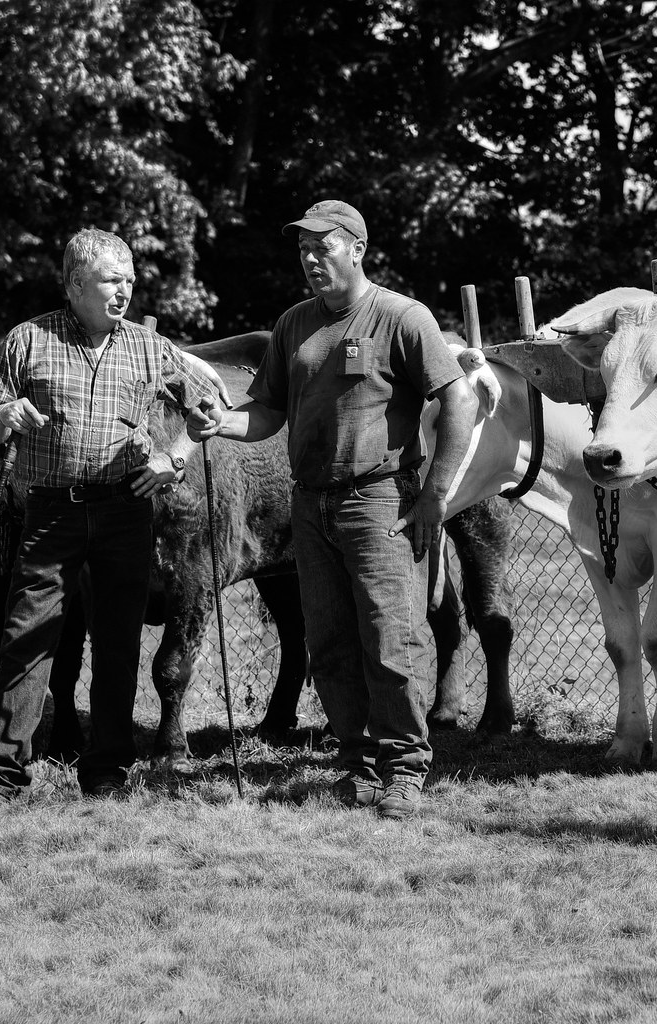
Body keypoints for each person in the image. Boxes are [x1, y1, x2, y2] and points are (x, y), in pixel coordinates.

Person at [189, 200, 478, 820]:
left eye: (322, 248)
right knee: (330, 641)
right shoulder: (294, 325)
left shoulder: (403, 317)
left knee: (391, 636)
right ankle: (354, 762)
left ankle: (403, 767)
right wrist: (220, 422)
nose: (311, 261)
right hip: (310, 503)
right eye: (303, 251)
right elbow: (267, 412)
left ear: (356, 249)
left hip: (382, 501)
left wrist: (436, 493)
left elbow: (458, 401)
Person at [0, 227, 222, 813]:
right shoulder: (27, 340)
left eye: (129, 280)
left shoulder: (150, 346)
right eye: (110, 280)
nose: (124, 291)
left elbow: (209, 412)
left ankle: (107, 772)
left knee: (119, 643)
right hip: (50, 511)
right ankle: (0, 777)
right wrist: (5, 415)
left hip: (127, 510)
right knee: (27, 636)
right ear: (75, 284)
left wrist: (175, 457)